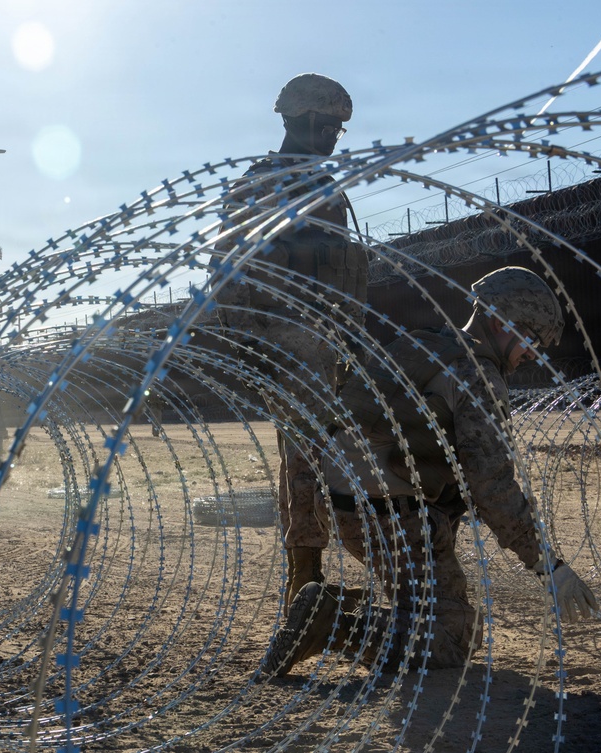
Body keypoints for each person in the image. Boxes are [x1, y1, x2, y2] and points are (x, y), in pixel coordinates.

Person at [262, 266, 599, 676]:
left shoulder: (419, 345)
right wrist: (550, 566)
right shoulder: (477, 374)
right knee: (451, 639)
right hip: (395, 520)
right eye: (530, 340)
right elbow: (491, 485)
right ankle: (329, 626)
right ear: (500, 320)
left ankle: (350, 617)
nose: (531, 355)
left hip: (343, 505)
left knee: (425, 608)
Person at [213, 73, 368, 613]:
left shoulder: (321, 184)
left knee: (332, 455)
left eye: (337, 130)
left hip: (332, 346)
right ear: (297, 122)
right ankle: (304, 582)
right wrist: (255, 348)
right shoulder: (264, 184)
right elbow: (230, 271)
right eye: (325, 126)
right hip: (289, 346)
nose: (331, 137)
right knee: (306, 459)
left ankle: (316, 578)